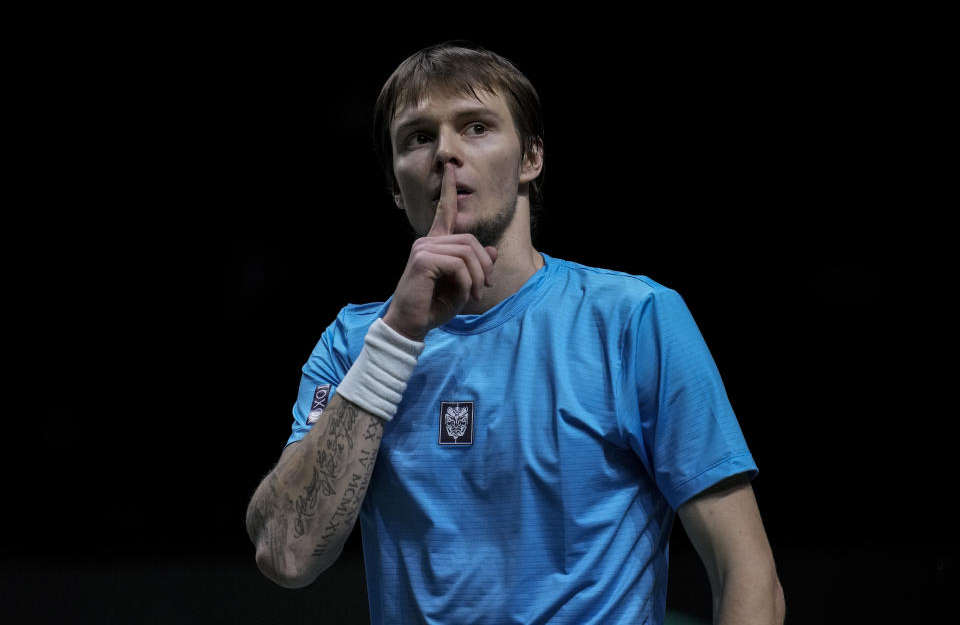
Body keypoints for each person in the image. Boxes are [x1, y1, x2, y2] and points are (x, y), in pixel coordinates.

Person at [246, 40, 786, 624]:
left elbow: (746, 572)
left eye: (475, 127)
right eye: (418, 137)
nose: (446, 152)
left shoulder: (634, 318)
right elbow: (286, 554)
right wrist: (398, 334)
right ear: (397, 188)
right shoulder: (355, 343)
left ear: (531, 158)